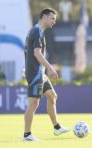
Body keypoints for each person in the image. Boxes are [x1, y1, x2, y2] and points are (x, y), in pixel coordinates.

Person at [23, 8, 70, 141]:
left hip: (39, 73)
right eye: (52, 18)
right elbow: (36, 53)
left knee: (52, 95)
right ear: (44, 17)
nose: (54, 21)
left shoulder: (36, 31)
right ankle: (27, 135)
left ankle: (57, 127)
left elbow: (28, 52)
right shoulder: (37, 32)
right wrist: (50, 68)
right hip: (35, 73)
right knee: (33, 103)